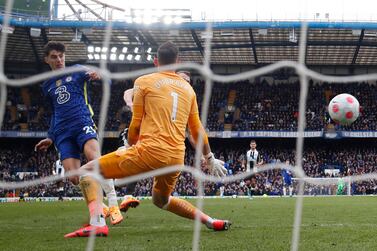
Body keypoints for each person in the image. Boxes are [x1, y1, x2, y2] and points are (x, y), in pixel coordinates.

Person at [65, 41, 230, 238]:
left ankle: (98, 223)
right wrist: (209, 158)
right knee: (161, 200)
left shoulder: (144, 81)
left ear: (155, 61)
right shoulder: (189, 90)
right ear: (178, 62)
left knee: (85, 172)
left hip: (149, 151)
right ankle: (211, 222)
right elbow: (197, 130)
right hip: (176, 158)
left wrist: (129, 145)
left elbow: (135, 126)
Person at [34, 41, 123, 225]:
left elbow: (109, 79)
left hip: (82, 121)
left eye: (61, 56)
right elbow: (54, 112)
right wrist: (50, 137)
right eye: (54, 57)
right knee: (75, 178)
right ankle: (100, 210)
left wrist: (100, 76)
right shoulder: (47, 86)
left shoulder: (77, 70)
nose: (58, 60)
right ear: (46, 60)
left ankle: (113, 204)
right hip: (61, 132)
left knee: (95, 160)